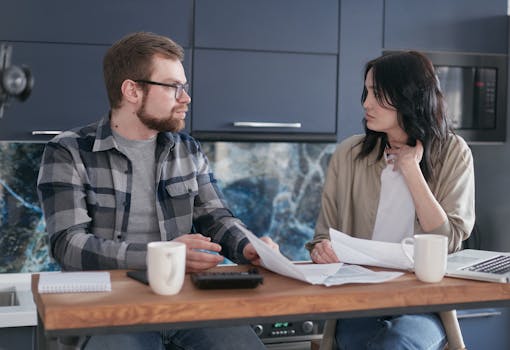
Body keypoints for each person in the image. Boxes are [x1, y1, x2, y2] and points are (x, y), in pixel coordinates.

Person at [37, 31, 277, 350]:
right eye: (174, 87)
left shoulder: (186, 149)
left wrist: (249, 247)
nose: (186, 98)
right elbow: (68, 244)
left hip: (185, 304)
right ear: (132, 90)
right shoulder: (68, 151)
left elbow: (216, 217)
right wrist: (162, 255)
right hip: (109, 309)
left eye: (185, 87)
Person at [306, 51, 474, 350]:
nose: (366, 103)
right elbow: (323, 236)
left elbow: (446, 241)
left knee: (397, 344)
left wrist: (411, 170)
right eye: (367, 92)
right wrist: (321, 250)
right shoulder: (349, 154)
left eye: (378, 94)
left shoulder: (453, 153)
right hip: (358, 299)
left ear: (410, 97)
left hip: (424, 303)